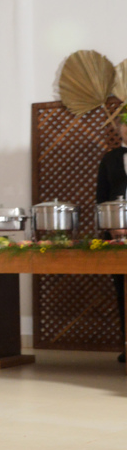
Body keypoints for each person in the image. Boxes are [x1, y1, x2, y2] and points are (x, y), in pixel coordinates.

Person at [95, 110, 127, 363]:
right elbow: (101, 197)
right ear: (119, 129)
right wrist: (110, 228)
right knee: (122, 291)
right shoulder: (110, 158)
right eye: (125, 125)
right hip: (118, 234)